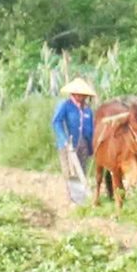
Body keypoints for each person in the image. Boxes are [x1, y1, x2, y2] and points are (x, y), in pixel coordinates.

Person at [51, 78, 97, 206]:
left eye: (83, 95)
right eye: (78, 94)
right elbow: (57, 122)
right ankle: (75, 200)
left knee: (81, 170)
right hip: (68, 144)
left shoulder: (88, 110)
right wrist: (64, 140)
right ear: (73, 93)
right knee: (70, 171)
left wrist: (92, 146)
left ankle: (79, 199)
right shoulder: (65, 106)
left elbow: (91, 129)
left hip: (84, 144)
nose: (81, 96)